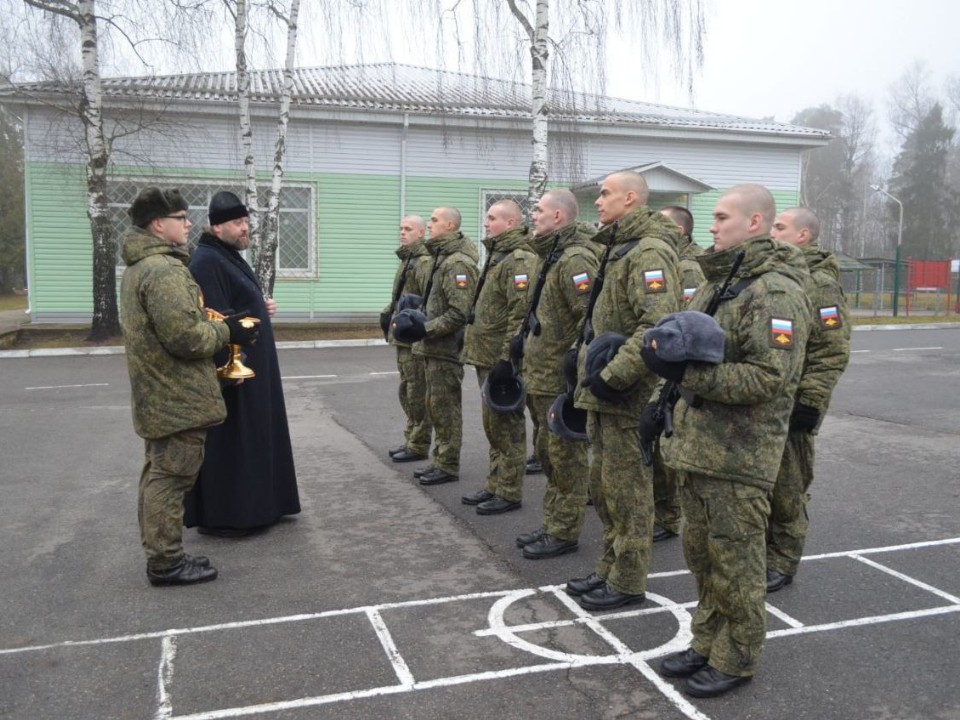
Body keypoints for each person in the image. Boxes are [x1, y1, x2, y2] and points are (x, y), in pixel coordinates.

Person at [652, 184, 811, 698]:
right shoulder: (719, 282)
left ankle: (736, 657)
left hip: (739, 455)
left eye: (722, 217)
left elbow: (768, 377)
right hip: (699, 446)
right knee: (702, 558)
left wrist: (687, 376)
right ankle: (706, 643)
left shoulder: (775, 292)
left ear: (755, 223)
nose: (712, 225)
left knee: (737, 566)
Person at [119, 186, 258, 586]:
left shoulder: (143, 267)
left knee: (159, 474)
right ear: (157, 224)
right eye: (180, 218)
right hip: (175, 395)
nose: (188, 224)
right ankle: (166, 563)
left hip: (160, 394)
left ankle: (165, 553)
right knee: (170, 478)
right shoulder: (162, 271)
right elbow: (186, 338)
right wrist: (228, 330)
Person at [566, 171, 682, 609]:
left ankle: (628, 581)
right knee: (606, 487)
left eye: (605, 193)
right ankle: (608, 568)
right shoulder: (619, 247)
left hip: (626, 394)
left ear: (630, 198)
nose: (598, 201)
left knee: (629, 492)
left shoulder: (649, 251)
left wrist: (613, 376)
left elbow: (656, 324)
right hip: (604, 393)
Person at [183, 191, 300, 536]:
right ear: (217, 227)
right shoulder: (206, 262)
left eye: (246, 221)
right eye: (238, 222)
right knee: (236, 442)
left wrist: (261, 306)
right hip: (236, 369)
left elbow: (237, 304)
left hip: (254, 366)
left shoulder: (226, 255)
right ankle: (232, 515)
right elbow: (214, 317)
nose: (245, 228)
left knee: (256, 437)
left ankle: (265, 505)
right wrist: (230, 367)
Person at [766, 207, 851, 592]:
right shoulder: (777, 276)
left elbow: (831, 350)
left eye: (780, 227)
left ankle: (783, 560)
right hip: (769, 401)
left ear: (803, 236)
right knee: (766, 482)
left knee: (789, 486)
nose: (772, 232)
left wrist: (811, 402)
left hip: (796, 403)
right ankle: (764, 550)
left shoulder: (820, 284)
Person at [514, 189, 599, 558]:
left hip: (557, 376)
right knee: (548, 453)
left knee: (566, 459)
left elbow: (589, 317)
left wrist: (573, 365)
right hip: (539, 373)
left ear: (559, 217)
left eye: (539, 210)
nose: (533, 215)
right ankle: (553, 522)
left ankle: (564, 530)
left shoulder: (575, 259)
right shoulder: (550, 255)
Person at [460, 201, 537, 514]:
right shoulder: (498, 255)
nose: (486, 223)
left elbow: (519, 314)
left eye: (492, 218)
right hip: (485, 355)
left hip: (500, 359)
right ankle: (494, 484)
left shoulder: (519, 259)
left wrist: (507, 357)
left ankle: (508, 491)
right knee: (493, 425)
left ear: (511, 222)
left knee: (507, 426)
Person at [410, 207, 480, 485]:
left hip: (446, 349)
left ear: (450, 226)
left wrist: (425, 329)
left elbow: (459, 312)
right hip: (433, 348)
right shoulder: (441, 258)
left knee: (446, 409)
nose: (429, 224)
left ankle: (448, 464)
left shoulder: (457, 264)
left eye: (434, 220)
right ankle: (439, 459)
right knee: (435, 407)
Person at [651, 206, 706, 542]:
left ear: (680, 231)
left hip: (676, 367)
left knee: (666, 445)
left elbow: (687, 320)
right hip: (661, 360)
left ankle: (668, 516)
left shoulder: (689, 267)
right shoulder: (667, 258)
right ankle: (662, 510)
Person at [383, 215, 434, 464]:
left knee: (416, 390)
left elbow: (427, 300)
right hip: (402, 337)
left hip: (413, 337)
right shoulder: (407, 260)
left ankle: (419, 443)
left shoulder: (423, 262)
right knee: (406, 389)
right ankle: (411, 438)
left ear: (421, 233)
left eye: (408, 229)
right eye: (401, 228)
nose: (402, 232)